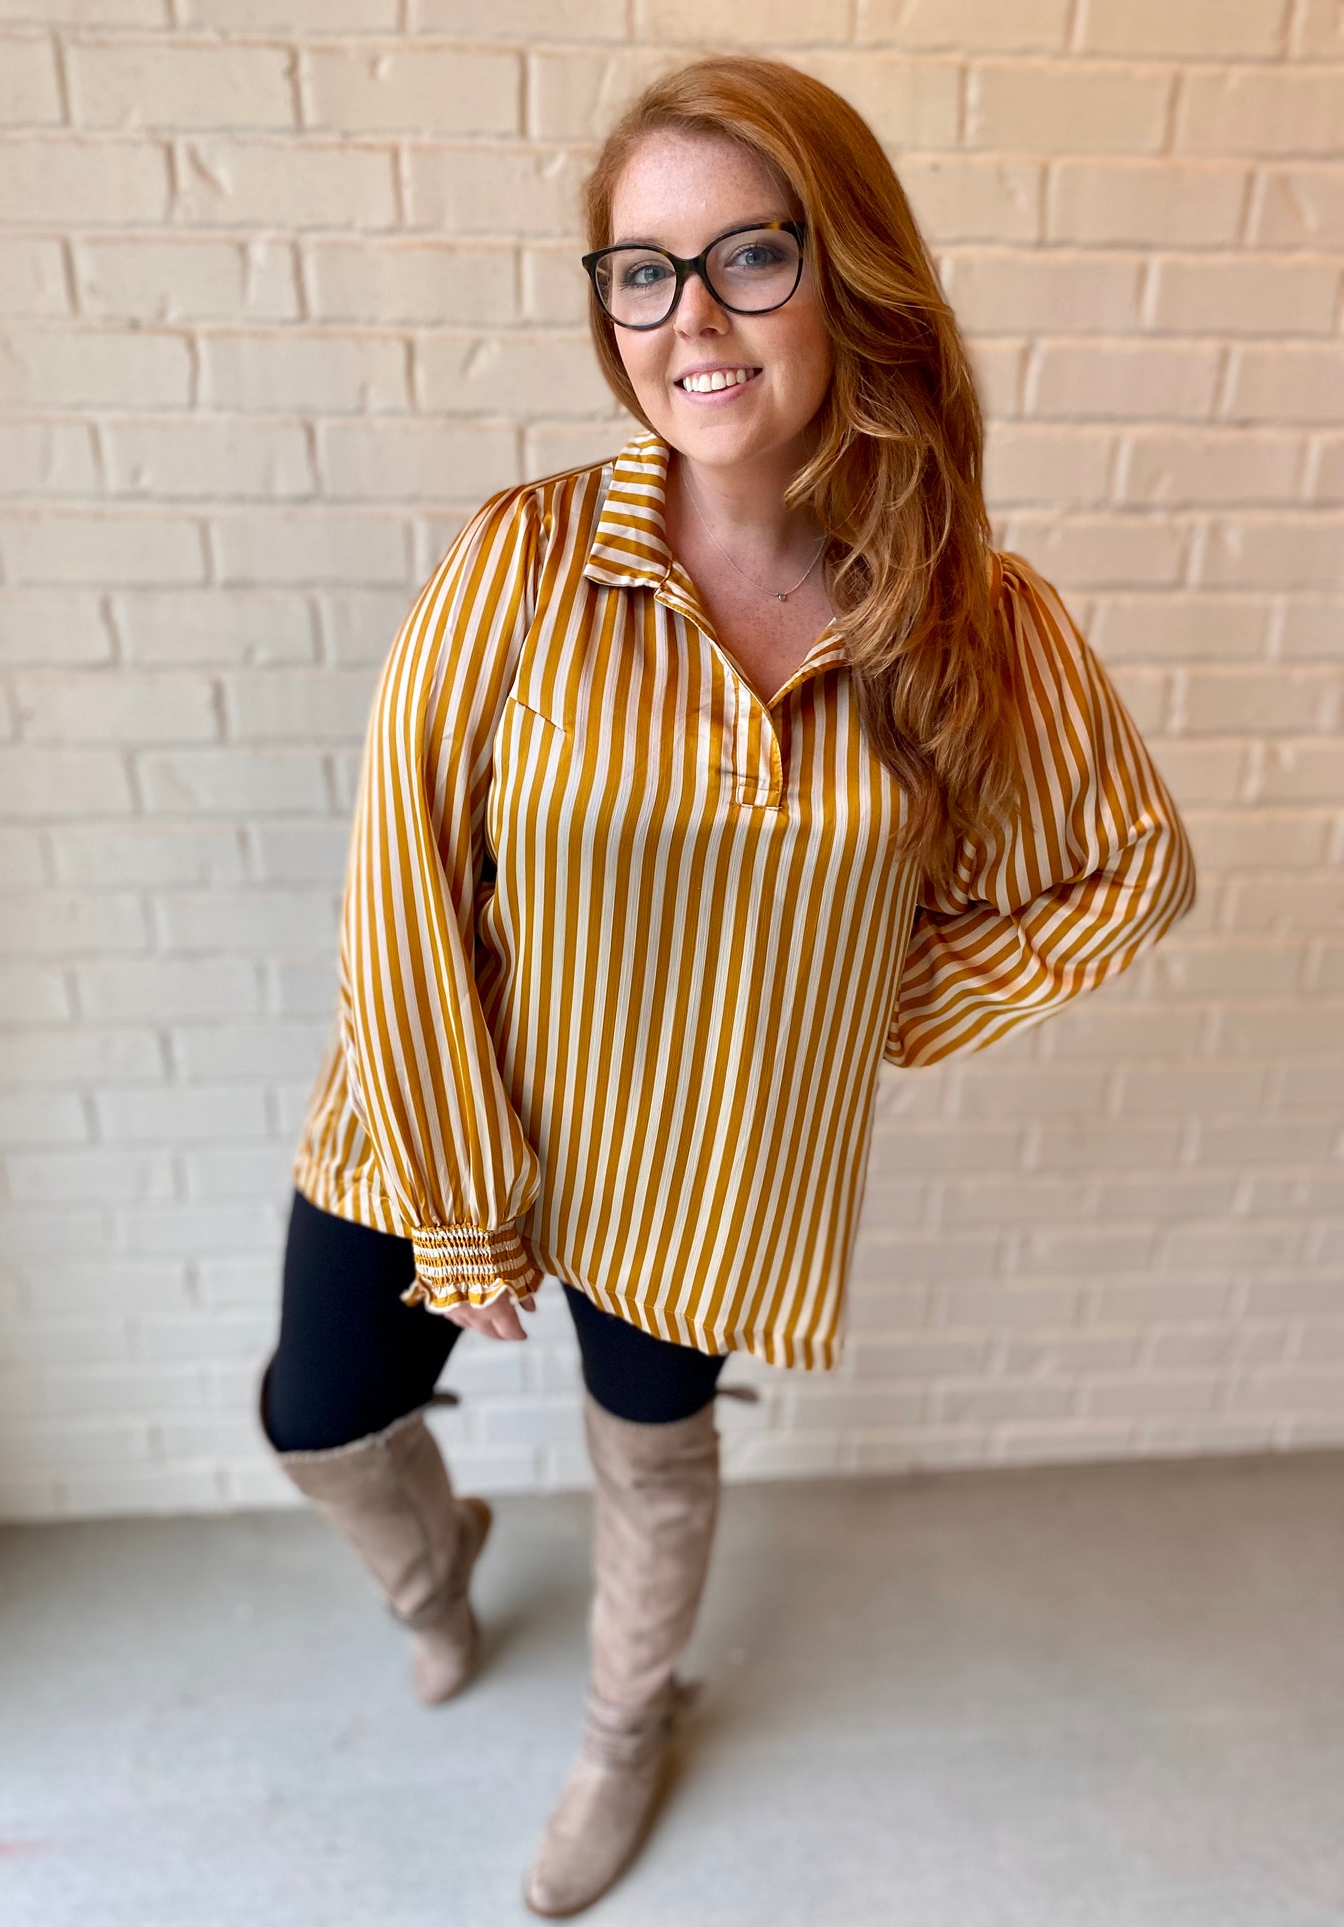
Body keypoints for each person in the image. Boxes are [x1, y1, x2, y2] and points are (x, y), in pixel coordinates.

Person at [256, 52, 1197, 1919]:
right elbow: (404, 889)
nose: (689, 318)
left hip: (703, 1158)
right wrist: (459, 1192)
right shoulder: (521, 562)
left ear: (847, 278)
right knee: (319, 1418)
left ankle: (622, 1732)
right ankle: (438, 1572)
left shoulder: (964, 617)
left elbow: (1124, 873)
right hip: (448, 1101)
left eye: (748, 256)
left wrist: (870, 1012)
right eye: (639, 269)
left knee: (653, 1460)